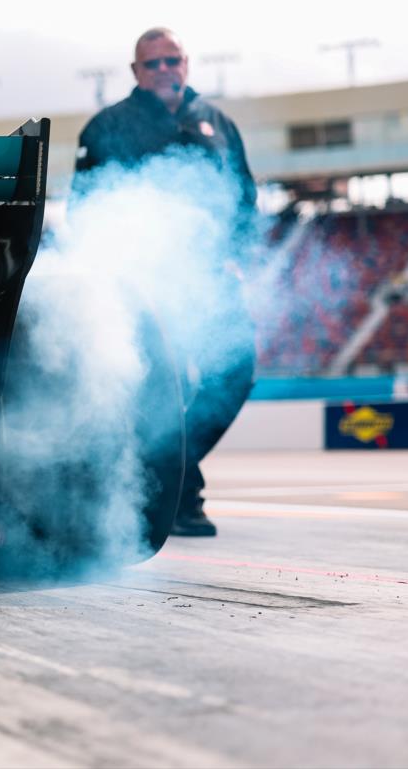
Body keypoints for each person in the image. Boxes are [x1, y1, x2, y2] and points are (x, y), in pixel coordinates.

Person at [71, 27, 258, 537]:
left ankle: (167, 478)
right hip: (143, 281)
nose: (163, 71)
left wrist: (239, 256)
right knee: (160, 385)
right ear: (135, 71)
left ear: (187, 63)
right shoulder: (107, 126)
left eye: (171, 60)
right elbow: (84, 208)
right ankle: (179, 497)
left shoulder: (217, 121)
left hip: (212, 279)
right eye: (151, 64)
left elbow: (245, 197)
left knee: (236, 373)